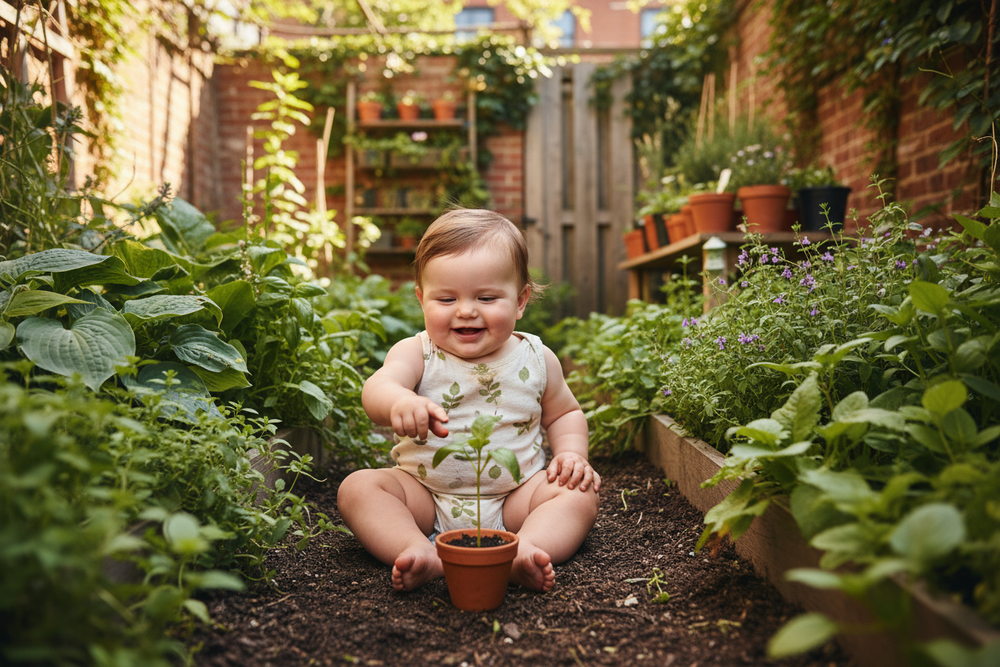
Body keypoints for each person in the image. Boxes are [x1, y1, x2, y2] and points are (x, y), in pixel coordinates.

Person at [338, 209, 601, 594]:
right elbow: (379, 385)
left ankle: (524, 550)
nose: (465, 310)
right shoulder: (418, 352)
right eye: (446, 298)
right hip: (423, 496)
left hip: (516, 498)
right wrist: (398, 401)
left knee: (579, 494)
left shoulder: (537, 359)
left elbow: (565, 413)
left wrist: (572, 455)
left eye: (487, 297)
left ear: (521, 300)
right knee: (358, 488)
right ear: (421, 299)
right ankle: (415, 548)